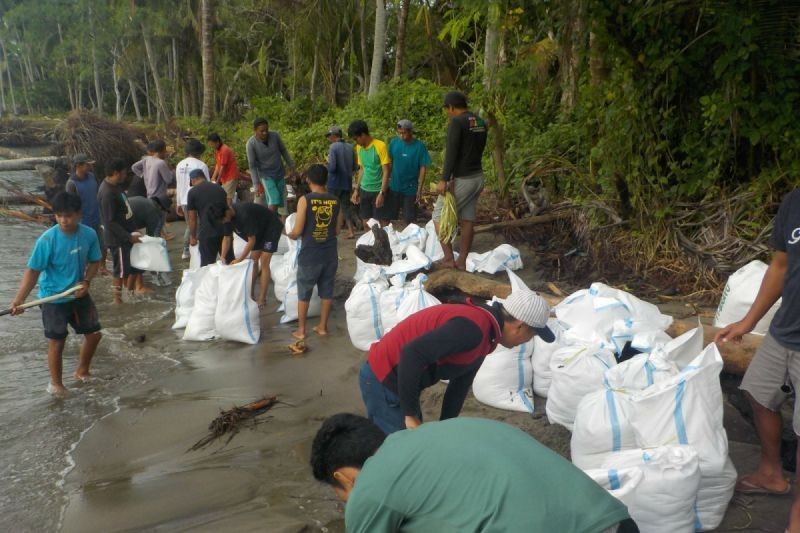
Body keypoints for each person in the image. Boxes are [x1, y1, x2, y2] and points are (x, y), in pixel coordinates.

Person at [310, 414, 636, 533]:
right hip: (618, 522)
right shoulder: (453, 428)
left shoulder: (371, 485)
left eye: (342, 498)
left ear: (342, 477)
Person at [360, 278, 554, 434]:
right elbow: (412, 353)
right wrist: (410, 415)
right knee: (398, 456)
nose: (528, 341)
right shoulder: (473, 328)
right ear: (520, 325)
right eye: (532, 335)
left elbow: (460, 385)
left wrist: (446, 428)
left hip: (402, 382)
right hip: (383, 378)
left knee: (414, 446)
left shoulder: (488, 335)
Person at [715, 187, 800, 529]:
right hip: (784, 330)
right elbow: (780, 265)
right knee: (757, 392)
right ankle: (771, 473)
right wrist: (748, 322)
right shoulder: (794, 201)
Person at [9, 192, 103, 396]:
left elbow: (95, 260)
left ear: (79, 214)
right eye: (59, 215)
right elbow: (33, 270)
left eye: (68, 215)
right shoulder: (47, 240)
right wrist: (19, 300)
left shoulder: (89, 234)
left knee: (94, 335)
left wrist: (86, 281)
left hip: (78, 293)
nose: (63, 220)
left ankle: (82, 371)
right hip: (52, 298)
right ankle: (57, 385)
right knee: (57, 341)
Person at [434, 91, 487, 270]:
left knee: (438, 215)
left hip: (463, 179)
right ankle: (462, 260)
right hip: (477, 177)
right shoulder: (479, 121)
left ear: (451, 107)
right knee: (467, 218)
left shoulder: (456, 122)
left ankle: (448, 259)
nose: (448, 113)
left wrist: (444, 179)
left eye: (447, 110)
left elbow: (452, 153)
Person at [286, 164, 340, 339]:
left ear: (308, 179)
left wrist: (291, 234)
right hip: (330, 253)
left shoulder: (305, 200)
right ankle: (322, 327)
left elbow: (298, 230)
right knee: (326, 290)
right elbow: (338, 230)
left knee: (304, 292)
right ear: (326, 179)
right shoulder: (335, 200)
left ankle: (301, 331)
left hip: (310, 254)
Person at [97, 158, 146, 303]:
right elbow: (109, 221)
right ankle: (118, 300)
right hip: (117, 238)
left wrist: (134, 229)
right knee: (121, 271)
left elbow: (125, 212)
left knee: (131, 267)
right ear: (116, 173)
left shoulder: (115, 186)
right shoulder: (107, 193)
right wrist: (128, 237)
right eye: (124, 173)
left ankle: (129, 294)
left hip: (127, 233)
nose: (125, 176)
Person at [219, 202, 283, 309]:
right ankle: (250, 295)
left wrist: (239, 259)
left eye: (224, 219)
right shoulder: (226, 219)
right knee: (253, 261)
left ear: (228, 210)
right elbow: (226, 238)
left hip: (271, 228)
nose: (224, 221)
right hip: (257, 230)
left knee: (264, 262)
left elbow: (251, 241)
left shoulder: (243, 214)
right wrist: (223, 256)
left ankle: (262, 298)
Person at [66, 153, 108, 275]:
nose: (89, 166)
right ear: (78, 166)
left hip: (96, 216)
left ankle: (102, 266)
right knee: (83, 247)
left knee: (102, 244)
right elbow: (70, 204)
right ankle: (82, 270)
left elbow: (97, 194)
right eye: (86, 164)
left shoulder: (91, 176)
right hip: (83, 220)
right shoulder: (72, 183)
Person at [246, 117, 295, 214]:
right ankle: (269, 222)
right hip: (266, 175)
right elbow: (252, 165)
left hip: (279, 173)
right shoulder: (251, 144)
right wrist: (256, 184)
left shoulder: (275, 136)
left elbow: (283, 151)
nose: (265, 133)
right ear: (255, 131)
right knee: (274, 198)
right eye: (262, 131)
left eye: (266, 130)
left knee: (281, 200)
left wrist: (291, 165)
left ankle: (281, 224)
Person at [387, 119, 431, 225]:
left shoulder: (419, 147)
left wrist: (419, 189)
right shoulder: (394, 143)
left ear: (410, 131)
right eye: (400, 133)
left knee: (409, 219)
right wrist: (386, 180)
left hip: (410, 189)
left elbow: (423, 168)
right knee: (390, 217)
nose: (402, 136)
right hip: (394, 186)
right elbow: (389, 162)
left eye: (404, 133)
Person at [347, 120, 391, 228]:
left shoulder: (380, 146)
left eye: (356, 138)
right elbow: (362, 169)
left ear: (363, 135)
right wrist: (357, 190)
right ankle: (368, 243)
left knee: (382, 223)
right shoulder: (359, 148)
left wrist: (382, 193)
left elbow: (386, 171)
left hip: (378, 190)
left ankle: (384, 243)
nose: (355, 141)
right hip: (364, 190)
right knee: (366, 222)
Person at [132, 140, 174, 239]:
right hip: (160, 197)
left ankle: (157, 238)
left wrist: (143, 175)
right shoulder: (161, 163)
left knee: (154, 221)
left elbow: (134, 167)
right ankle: (157, 241)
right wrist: (171, 171)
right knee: (159, 222)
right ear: (163, 150)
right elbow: (168, 179)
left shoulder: (146, 159)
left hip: (149, 194)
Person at [175, 139, 210, 260]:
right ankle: (188, 249)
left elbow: (179, 185)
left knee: (190, 225)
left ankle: (188, 249)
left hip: (185, 200)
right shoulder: (201, 165)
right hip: (199, 199)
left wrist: (178, 203)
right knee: (196, 225)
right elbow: (207, 184)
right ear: (199, 151)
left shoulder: (179, 164)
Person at [186, 168, 229, 267]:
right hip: (225, 231)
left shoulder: (192, 192)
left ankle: (211, 282)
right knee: (229, 262)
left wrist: (193, 237)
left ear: (193, 179)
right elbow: (228, 210)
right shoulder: (219, 188)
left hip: (207, 232)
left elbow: (192, 218)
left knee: (207, 266)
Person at [325, 126, 357, 238]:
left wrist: (327, 165)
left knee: (331, 206)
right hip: (346, 182)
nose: (328, 138)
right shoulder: (350, 147)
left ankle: (331, 230)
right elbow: (355, 167)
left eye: (329, 136)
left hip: (334, 182)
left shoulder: (333, 147)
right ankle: (351, 231)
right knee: (345, 206)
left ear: (334, 136)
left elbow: (332, 167)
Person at [207, 133, 240, 205]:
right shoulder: (217, 150)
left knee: (228, 198)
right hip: (224, 177)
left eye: (212, 144)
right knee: (224, 196)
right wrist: (213, 177)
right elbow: (217, 165)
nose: (211, 146)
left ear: (217, 142)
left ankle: (230, 212)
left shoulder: (224, 150)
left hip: (231, 176)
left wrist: (218, 180)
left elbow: (222, 167)